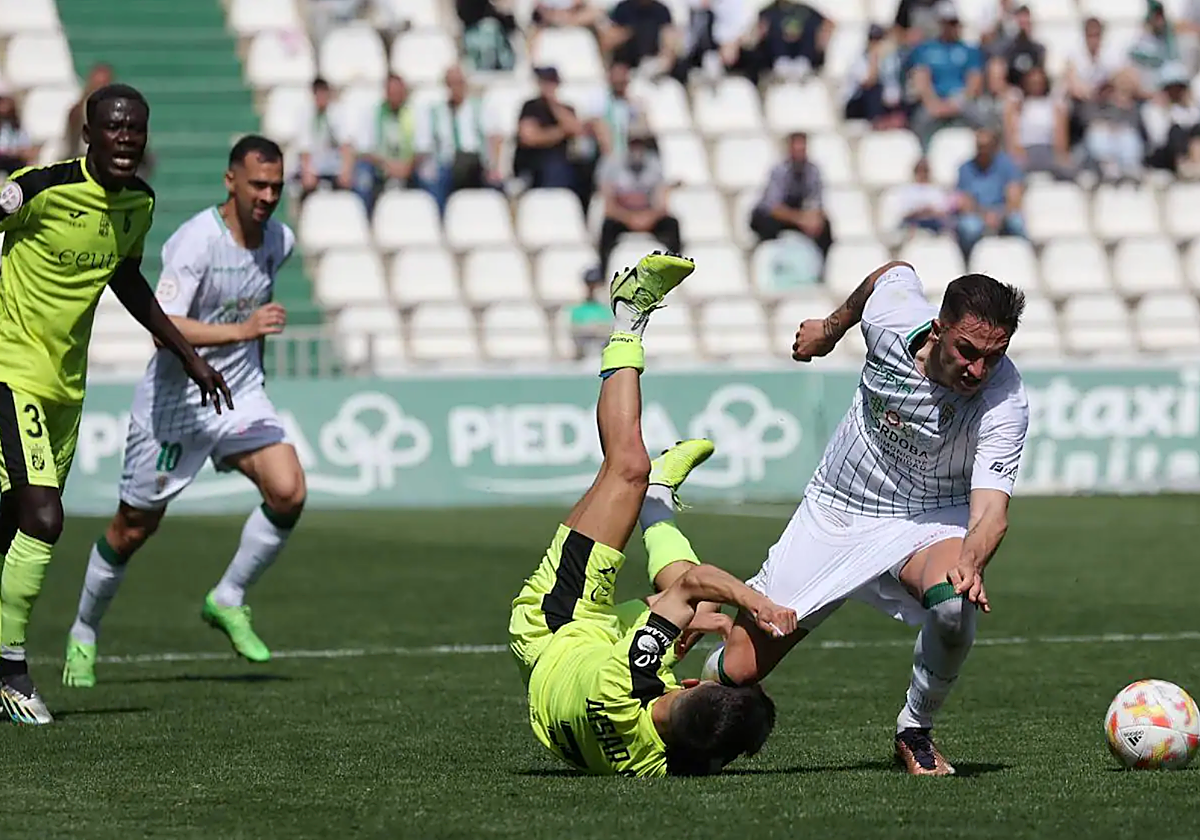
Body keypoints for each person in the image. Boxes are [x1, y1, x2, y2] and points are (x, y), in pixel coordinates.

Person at [702, 260, 1029, 776]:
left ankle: (914, 729)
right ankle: (710, 644)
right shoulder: (893, 320)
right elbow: (893, 272)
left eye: (995, 356)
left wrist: (970, 560)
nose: (978, 371)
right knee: (736, 669)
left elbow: (990, 509)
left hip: (927, 518)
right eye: (968, 351)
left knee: (953, 607)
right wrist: (830, 331)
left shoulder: (1004, 399)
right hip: (837, 509)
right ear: (939, 329)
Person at [510, 251, 798, 777]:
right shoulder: (656, 763)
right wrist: (685, 627)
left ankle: (628, 315)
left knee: (627, 467)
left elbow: (693, 585)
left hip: (556, 626)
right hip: (581, 674)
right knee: (689, 605)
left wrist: (755, 603)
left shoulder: (631, 677)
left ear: (693, 683)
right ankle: (659, 502)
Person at [0, 84, 230, 725]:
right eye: (115, 128)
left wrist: (187, 353)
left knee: (9, 528)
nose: (127, 139)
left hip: (65, 388)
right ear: (88, 134)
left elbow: (124, 276)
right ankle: (12, 672)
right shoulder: (37, 188)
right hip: (8, 373)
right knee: (44, 520)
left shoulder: (139, 203)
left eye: (137, 129)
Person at [62, 135, 303, 689]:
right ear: (230, 182)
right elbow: (162, 327)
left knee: (288, 490)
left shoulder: (280, 240)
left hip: (237, 395)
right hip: (175, 405)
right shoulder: (195, 242)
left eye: (276, 186)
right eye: (258, 185)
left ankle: (228, 596)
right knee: (132, 529)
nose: (268, 196)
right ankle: (82, 631)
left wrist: (253, 360)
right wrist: (243, 330)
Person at [414, 66, 504, 214]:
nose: (456, 88)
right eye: (452, 83)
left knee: (493, 183)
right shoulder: (435, 112)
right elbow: (425, 145)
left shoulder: (479, 107)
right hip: (447, 164)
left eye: (459, 83)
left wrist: (494, 167)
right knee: (434, 181)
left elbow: (495, 138)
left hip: (476, 163)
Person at [597, 131, 681, 278]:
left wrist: (648, 218)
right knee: (607, 228)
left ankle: (675, 269)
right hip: (623, 217)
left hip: (648, 216)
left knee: (671, 224)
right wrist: (629, 219)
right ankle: (603, 271)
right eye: (633, 145)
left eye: (640, 145)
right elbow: (609, 206)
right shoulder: (613, 166)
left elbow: (662, 203)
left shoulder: (654, 165)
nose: (636, 150)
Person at [908, 2, 985, 147]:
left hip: (961, 101)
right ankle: (924, 159)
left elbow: (974, 81)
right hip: (934, 101)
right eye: (947, 23)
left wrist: (958, 102)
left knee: (983, 121)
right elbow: (921, 79)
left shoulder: (969, 50)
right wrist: (933, 103)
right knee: (919, 123)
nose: (950, 27)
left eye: (953, 23)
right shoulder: (925, 50)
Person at [750, 132, 832, 259]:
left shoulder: (813, 171)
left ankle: (820, 263)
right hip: (778, 216)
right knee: (766, 223)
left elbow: (816, 201)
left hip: (799, 215)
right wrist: (800, 220)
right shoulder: (779, 171)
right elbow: (774, 207)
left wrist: (814, 219)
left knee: (825, 227)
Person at [954, 127, 1026, 259]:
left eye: (986, 146)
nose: (982, 150)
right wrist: (985, 216)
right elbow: (966, 202)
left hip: (1003, 213)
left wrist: (999, 215)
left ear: (994, 147)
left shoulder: (1007, 165)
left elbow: (1014, 198)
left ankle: (1020, 259)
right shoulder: (965, 168)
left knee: (1017, 223)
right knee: (969, 227)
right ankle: (969, 262)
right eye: (979, 146)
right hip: (977, 214)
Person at [365, 74, 417, 196]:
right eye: (391, 92)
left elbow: (423, 148)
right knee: (364, 178)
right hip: (381, 166)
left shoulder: (414, 113)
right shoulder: (374, 114)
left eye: (398, 92)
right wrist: (386, 165)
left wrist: (407, 167)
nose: (395, 96)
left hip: (409, 167)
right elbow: (365, 150)